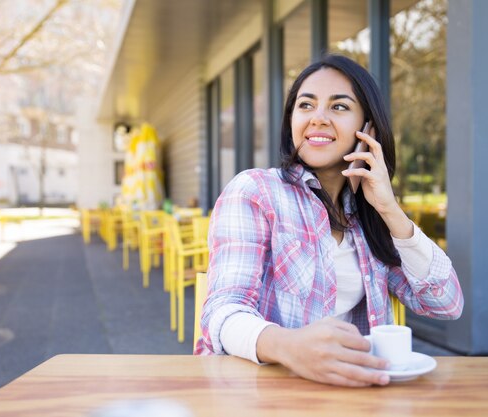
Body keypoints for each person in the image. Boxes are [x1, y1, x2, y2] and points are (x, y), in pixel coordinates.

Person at [194, 55, 463, 388]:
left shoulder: (369, 218)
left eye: (338, 107)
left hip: (351, 392)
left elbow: (446, 303)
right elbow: (223, 311)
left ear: (368, 129)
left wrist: (390, 209)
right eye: (306, 105)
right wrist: (289, 347)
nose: (317, 118)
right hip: (259, 393)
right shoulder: (256, 191)